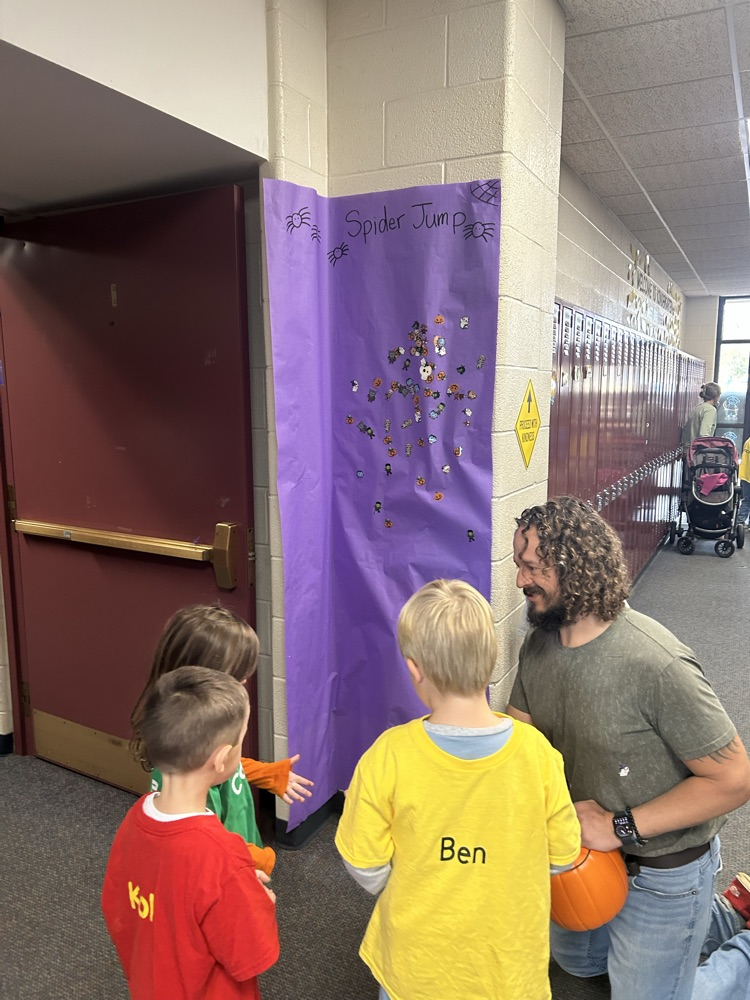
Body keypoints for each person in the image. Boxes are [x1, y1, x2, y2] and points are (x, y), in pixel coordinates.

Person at [507, 496, 750, 1000]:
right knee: (579, 964)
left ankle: (740, 950)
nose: (519, 581)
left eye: (531, 567)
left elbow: (735, 779)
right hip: (584, 857)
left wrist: (620, 827)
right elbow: (522, 742)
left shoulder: (654, 662)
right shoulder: (540, 644)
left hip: (662, 865)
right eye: (518, 566)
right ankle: (717, 916)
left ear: (572, 567)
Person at [336, 579, 581, 1000]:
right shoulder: (538, 754)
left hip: (415, 969)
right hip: (508, 969)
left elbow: (366, 864)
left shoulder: (388, 755)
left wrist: (420, 877)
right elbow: (562, 856)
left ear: (415, 669)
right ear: (492, 658)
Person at [102, 666, 280, 999]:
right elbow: (252, 956)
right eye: (241, 740)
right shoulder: (224, 857)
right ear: (223, 758)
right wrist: (257, 899)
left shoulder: (135, 817)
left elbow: (117, 904)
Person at [130, 604, 313, 876]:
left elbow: (225, 767)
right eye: (236, 679)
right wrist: (250, 859)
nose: (244, 685)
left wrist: (265, 774)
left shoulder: (198, 745)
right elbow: (203, 839)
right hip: (223, 869)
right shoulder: (181, 770)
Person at [681, 381, 722, 449]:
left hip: (688, 450)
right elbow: (704, 435)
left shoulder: (699, 407)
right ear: (716, 396)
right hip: (697, 453)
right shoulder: (710, 410)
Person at [738, 436, 750, 525]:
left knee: (746, 500)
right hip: (747, 476)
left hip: (745, 475)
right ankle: (740, 521)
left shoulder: (748, 441)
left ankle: (740, 522)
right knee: (747, 501)